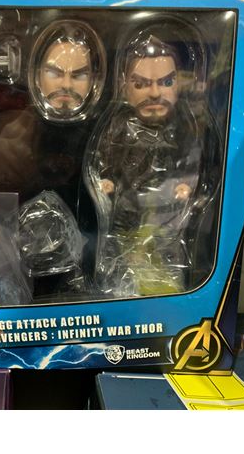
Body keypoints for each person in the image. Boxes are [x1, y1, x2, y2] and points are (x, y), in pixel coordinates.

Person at [87, 33, 219, 298]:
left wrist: (187, 185)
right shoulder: (118, 126)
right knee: (122, 253)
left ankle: (165, 294)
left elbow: (195, 162)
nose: (155, 93)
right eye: (141, 84)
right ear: (124, 86)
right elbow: (104, 158)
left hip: (168, 216)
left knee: (165, 259)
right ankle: (121, 290)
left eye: (166, 82)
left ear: (178, 84)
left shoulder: (186, 126)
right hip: (126, 210)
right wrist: (106, 180)